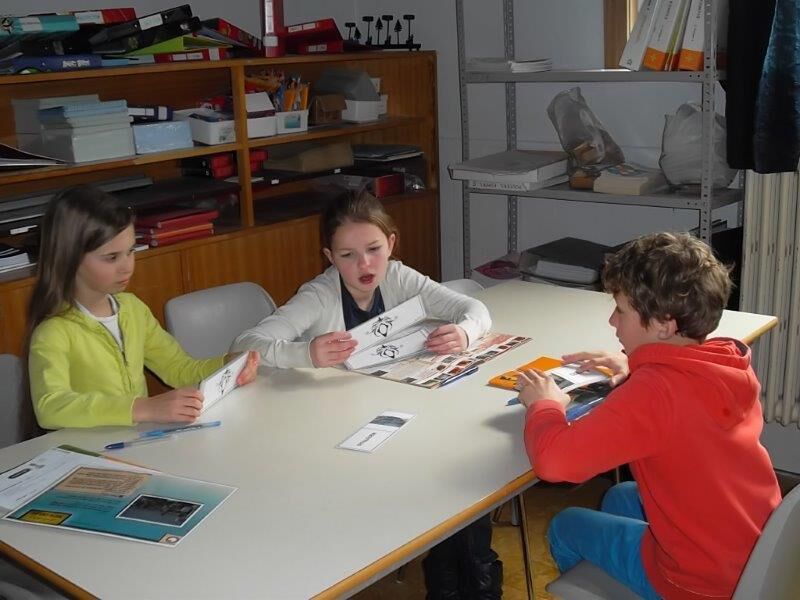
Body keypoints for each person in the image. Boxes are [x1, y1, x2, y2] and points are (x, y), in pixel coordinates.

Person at [232, 189, 502, 599]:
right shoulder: (320, 295)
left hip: (397, 418)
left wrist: (464, 332)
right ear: (329, 256)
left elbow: (475, 309)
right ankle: (461, 582)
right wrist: (305, 352)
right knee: (447, 475)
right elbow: (243, 345)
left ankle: (462, 582)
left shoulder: (399, 277)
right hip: (334, 439)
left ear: (391, 244)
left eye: (374, 250)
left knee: (459, 468)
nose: (365, 265)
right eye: (347, 255)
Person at [517, 232, 780, 600]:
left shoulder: (654, 393)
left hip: (700, 584)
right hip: (758, 554)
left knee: (566, 526)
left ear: (663, 325)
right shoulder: (726, 361)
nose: (612, 321)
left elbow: (554, 463)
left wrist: (545, 404)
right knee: (621, 496)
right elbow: (679, 404)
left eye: (621, 310)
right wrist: (635, 366)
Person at [27, 185, 259, 430]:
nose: (127, 266)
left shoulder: (133, 309)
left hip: (136, 441)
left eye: (130, 251)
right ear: (70, 258)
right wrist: (142, 408)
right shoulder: (54, 332)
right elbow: (50, 407)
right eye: (112, 257)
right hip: (90, 449)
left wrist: (228, 363)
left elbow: (178, 369)